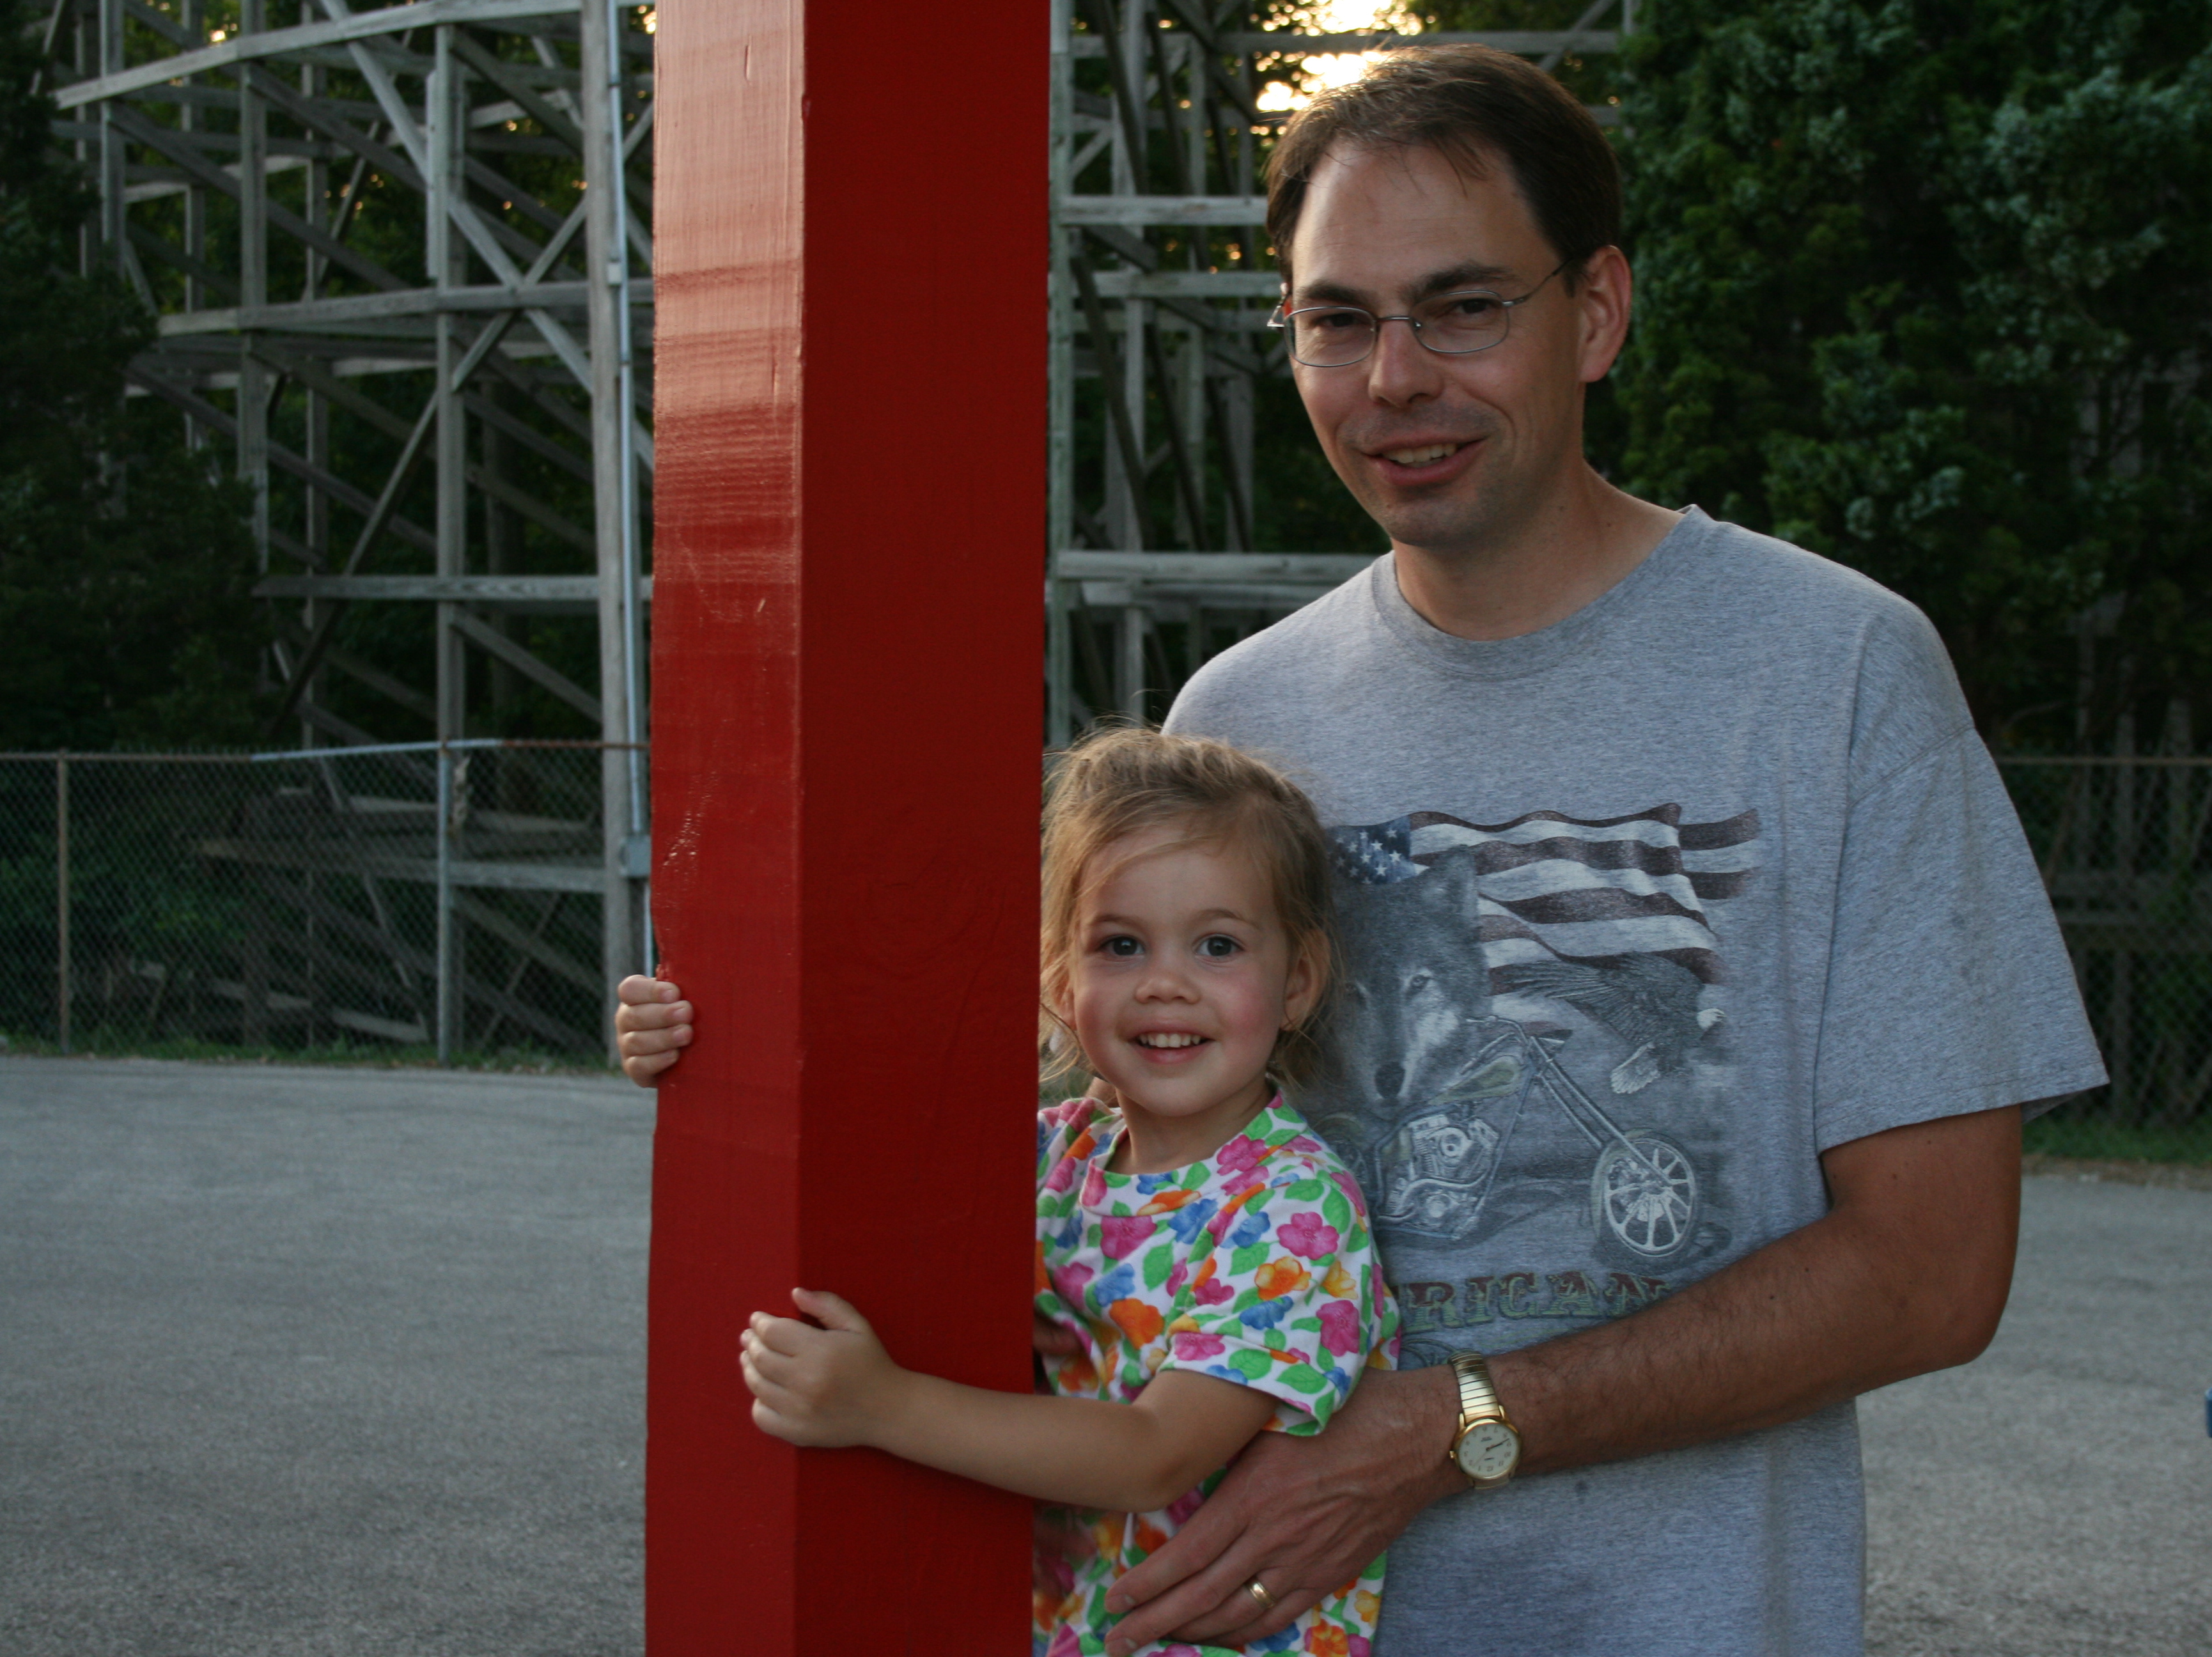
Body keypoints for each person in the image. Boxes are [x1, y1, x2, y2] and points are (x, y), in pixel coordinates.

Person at [625, 42, 2104, 1657]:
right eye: (1338, 320)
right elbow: (1083, 1114)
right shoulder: (1241, 717)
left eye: (1462, 307)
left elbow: (1933, 1271)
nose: (1394, 378)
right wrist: (741, 1048)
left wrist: (1454, 1427)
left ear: (1598, 312)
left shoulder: (1834, 671)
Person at [735, 727, 1399, 1657]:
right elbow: (855, 1138)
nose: (1165, 985)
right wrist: (695, 1040)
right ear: (1059, 977)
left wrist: (884, 1406)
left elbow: (1154, 1457)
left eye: (1217, 946)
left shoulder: (1294, 1209)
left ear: (1297, 982)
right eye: (1121, 945)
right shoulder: (1053, 1154)